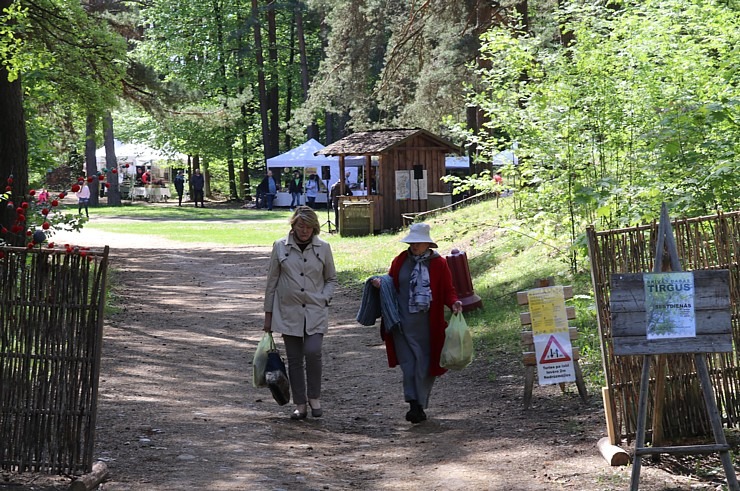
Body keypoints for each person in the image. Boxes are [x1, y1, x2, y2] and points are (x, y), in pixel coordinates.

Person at [371, 223, 462, 424]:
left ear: (428, 243)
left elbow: (448, 289)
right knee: (409, 365)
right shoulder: (400, 260)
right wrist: (380, 283)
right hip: (401, 324)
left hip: (428, 326)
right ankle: (414, 405)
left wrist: (454, 302)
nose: (414, 246)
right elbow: (391, 282)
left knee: (425, 366)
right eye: (412, 242)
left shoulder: (439, 264)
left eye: (418, 242)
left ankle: (420, 403)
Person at [263, 206, 337, 420]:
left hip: (315, 310)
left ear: (315, 227)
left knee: (313, 352)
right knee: (295, 359)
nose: (305, 230)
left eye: (309, 226)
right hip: (289, 312)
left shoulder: (323, 248)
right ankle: (300, 404)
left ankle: (315, 397)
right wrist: (268, 316)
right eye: (300, 226)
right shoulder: (279, 247)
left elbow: (331, 278)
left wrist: (324, 297)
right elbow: (271, 283)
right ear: (293, 225)